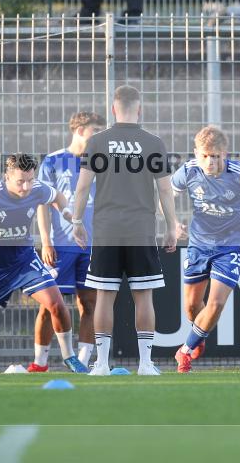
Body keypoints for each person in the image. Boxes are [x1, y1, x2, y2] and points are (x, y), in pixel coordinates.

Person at [0, 153, 89, 374]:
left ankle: (69, 357)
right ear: (6, 177)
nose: (26, 187)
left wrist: (71, 217)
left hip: (24, 261)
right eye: (20, 181)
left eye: (30, 180)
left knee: (56, 304)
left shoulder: (38, 189)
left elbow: (57, 197)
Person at [71, 85, 179, 376]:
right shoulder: (153, 142)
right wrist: (172, 226)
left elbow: (82, 187)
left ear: (113, 109)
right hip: (140, 229)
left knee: (105, 296)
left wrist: (77, 222)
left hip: (107, 230)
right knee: (144, 296)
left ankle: (102, 364)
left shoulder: (97, 142)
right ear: (139, 108)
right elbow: (165, 191)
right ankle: (145, 364)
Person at [172, 126, 240, 373]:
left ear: (225, 154)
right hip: (198, 246)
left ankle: (184, 350)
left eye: (216, 156)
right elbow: (166, 194)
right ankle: (198, 336)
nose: (211, 161)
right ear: (196, 153)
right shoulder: (188, 170)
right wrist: (172, 222)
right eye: (205, 155)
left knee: (215, 303)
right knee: (193, 308)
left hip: (230, 248)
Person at [30, 111, 106, 372]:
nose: (99, 136)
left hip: (93, 244)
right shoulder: (53, 161)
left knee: (90, 303)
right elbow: (42, 202)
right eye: (96, 130)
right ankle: (40, 363)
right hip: (60, 245)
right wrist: (46, 241)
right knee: (50, 304)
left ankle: (82, 362)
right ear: (80, 129)